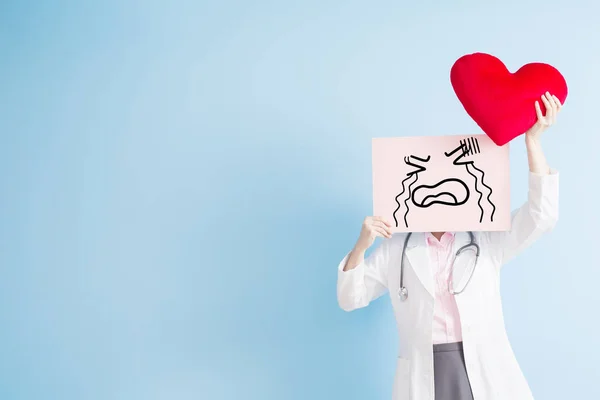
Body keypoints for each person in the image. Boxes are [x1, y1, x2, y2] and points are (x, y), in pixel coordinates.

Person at [337, 92, 562, 400]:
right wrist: (361, 246)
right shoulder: (397, 248)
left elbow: (541, 216)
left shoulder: (485, 239)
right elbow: (351, 298)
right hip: (423, 373)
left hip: (484, 368)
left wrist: (532, 143)